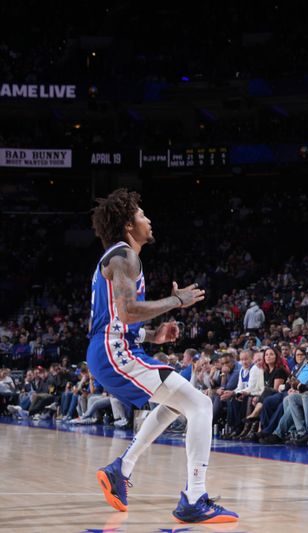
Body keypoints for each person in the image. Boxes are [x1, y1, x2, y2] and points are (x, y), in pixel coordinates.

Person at [87, 188, 237, 523]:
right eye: (141, 214)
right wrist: (176, 301)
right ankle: (194, 498)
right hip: (114, 353)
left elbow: (115, 319)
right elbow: (126, 313)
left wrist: (154, 335)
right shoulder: (125, 256)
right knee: (201, 404)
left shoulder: (118, 257)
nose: (148, 219)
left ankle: (120, 469)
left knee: (176, 403)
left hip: (113, 348)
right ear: (128, 224)